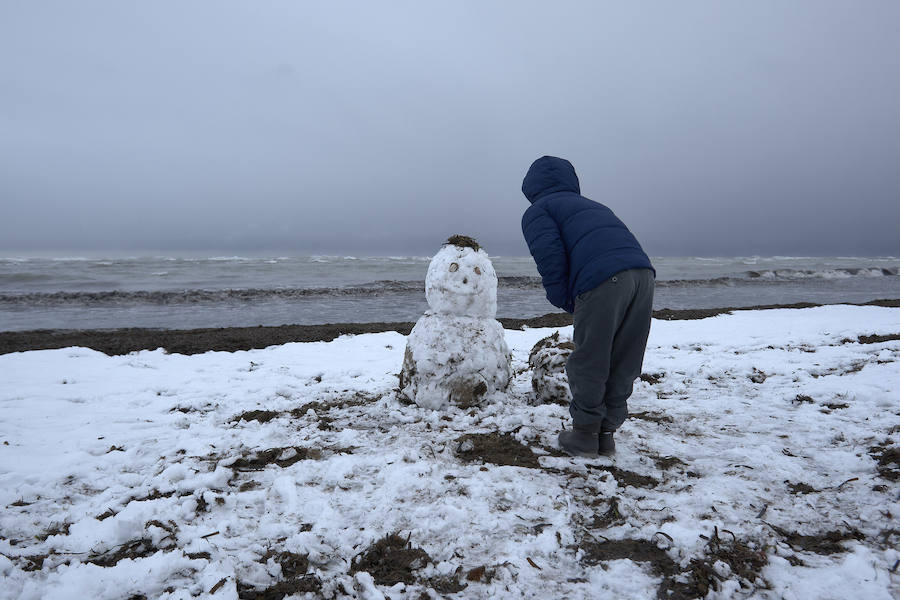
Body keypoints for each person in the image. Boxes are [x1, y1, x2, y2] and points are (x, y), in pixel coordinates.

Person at [520, 156, 655, 457]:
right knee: (624, 357)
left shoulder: (539, 210)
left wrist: (567, 299)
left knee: (590, 358)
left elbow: (550, 258)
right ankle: (605, 434)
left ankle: (583, 434)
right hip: (643, 275)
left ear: (531, 186)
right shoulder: (595, 206)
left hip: (604, 278)